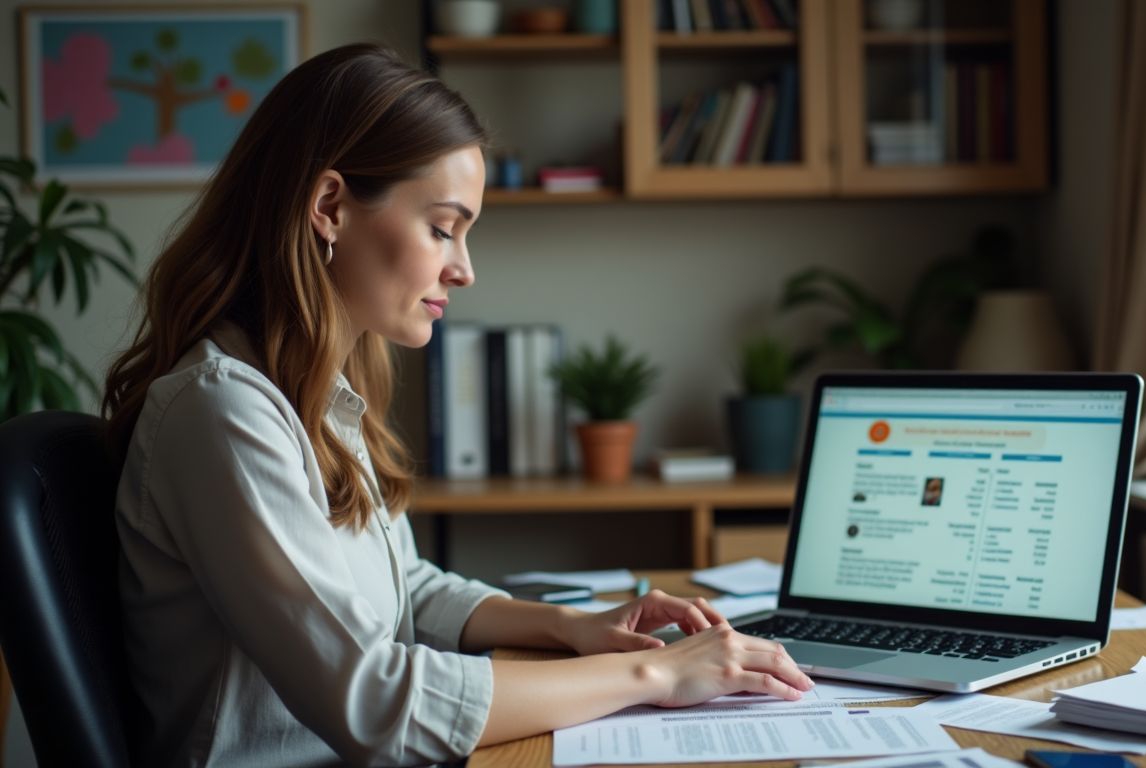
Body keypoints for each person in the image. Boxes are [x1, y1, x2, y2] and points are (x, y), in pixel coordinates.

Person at [101, 44, 812, 767]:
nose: (464, 269)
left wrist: (572, 628)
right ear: (330, 208)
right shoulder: (222, 414)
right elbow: (374, 703)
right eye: (442, 228)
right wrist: (654, 673)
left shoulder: (313, 394)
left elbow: (403, 588)